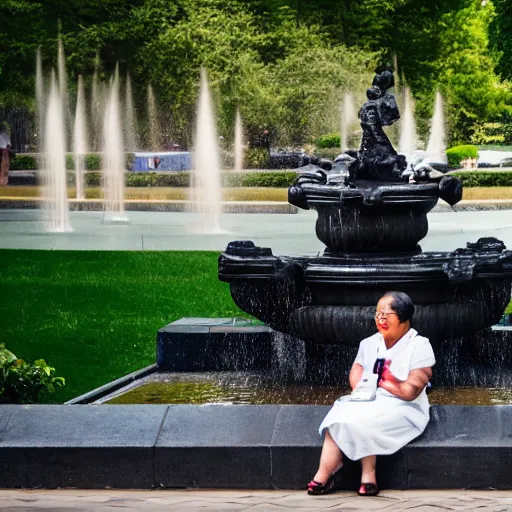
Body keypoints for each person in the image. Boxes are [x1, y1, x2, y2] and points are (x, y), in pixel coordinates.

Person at [307, 291, 435, 497]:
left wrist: (386, 382)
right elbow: (356, 373)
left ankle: (368, 474)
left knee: (366, 415)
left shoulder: (420, 345)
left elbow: (410, 391)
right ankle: (324, 475)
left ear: (404, 319)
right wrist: (365, 389)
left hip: (404, 407)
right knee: (341, 410)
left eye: (386, 315)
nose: (380, 320)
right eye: (377, 315)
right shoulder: (368, 343)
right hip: (370, 399)